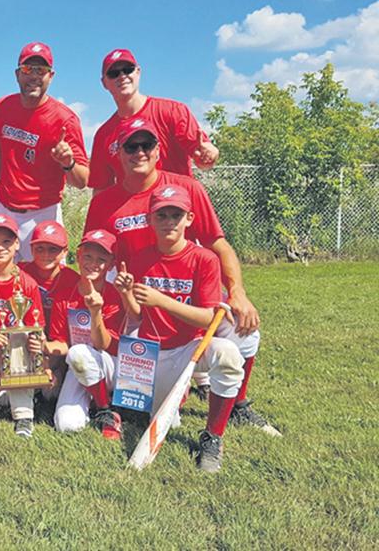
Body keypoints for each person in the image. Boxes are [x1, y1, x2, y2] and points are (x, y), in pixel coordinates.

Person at [84, 119, 279, 435]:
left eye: (147, 145)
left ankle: (237, 406)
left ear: (158, 150)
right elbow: (95, 255)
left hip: (186, 291)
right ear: (118, 153)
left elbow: (217, 243)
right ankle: (132, 397)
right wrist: (101, 298)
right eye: (131, 146)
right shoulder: (105, 200)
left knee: (245, 331)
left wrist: (238, 292)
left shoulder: (186, 188)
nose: (139, 152)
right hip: (137, 296)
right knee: (146, 405)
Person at [113, 184, 245, 471]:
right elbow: (137, 316)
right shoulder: (141, 258)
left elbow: (210, 319)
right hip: (156, 352)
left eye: (176, 214)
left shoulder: (204, 259)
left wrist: (163, 301)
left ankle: (213, 437)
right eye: (161, 215)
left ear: (189, 219)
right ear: (150, 220)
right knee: (163, 419)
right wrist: (126, 293)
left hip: (191, 348)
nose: (169, 221)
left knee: (229, 355)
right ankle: (173, 397)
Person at [0, 42, 89, 260]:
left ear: (51, 76)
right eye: (28, 69)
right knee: (0, 281)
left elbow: (82, 181)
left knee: (47, 286)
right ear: (17, 74)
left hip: (42, 214)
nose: (34, 76)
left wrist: (68, 163)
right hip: (4, 208)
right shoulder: (3, 106)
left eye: (41, 70)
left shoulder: (65, 119)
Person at [88, 48, 219, 192]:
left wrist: (209, 156)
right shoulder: (104, 134)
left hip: (175, 209)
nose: (122, 76)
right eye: (114, 73)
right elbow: (101, 188)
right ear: (104, 83)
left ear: (138, 72)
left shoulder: (172, 111)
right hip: (135, 211)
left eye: (128, 69)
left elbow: (204, 154)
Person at [0, 214, 47, 438]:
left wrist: (38, 343)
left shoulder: (27, 283)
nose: (0, 247)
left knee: (20, 336)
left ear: (16, 244)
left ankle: (24, 416)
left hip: (18, 362)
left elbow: (37, 327)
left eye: (6, 241)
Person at [48, 229, 125, 439]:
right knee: (67, 425)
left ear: (110, 264)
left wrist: (96, 312)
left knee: (79, 352)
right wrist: (46, 357)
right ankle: (95, 397)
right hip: (81, 364)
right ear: (78, 256)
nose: (93, 263)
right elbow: (62, 343)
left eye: (101, 259)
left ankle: (104, 409)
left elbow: (103, 345)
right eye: (88, 256)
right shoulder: (66, 294)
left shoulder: (114, 295)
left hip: (112, 365)